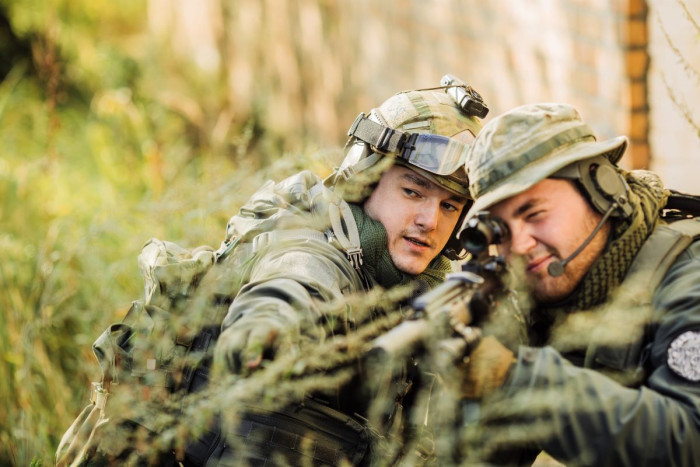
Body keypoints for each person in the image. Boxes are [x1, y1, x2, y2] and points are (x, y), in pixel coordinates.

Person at [199, 77, 487, 465]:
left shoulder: (414, 286)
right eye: (413, 192)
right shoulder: (317, 246)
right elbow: (295, 281)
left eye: (450, 206)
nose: (429, 221)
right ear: (365, 183)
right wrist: (263, 328)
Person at [457, 102, 700, 465]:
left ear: (601, 189)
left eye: (534, 213)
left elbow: (687, 440)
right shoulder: (544, 297)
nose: (520, 246)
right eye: (501, 230)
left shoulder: (687, 280)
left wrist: (517, 379)